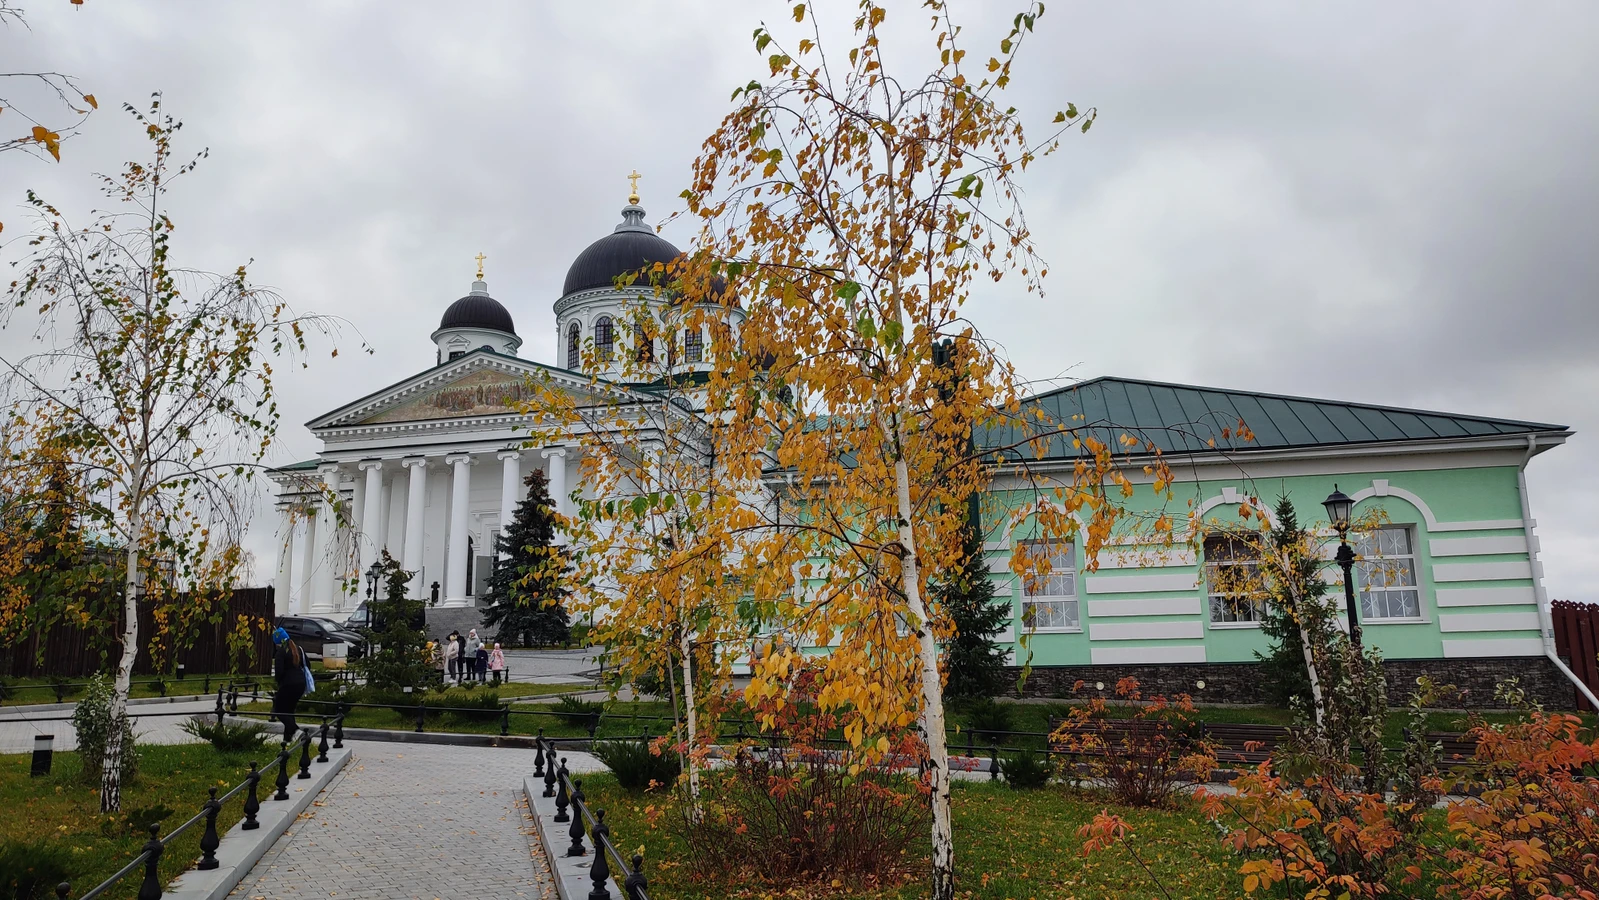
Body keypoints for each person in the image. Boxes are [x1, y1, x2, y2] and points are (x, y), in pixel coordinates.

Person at [271, 626, 309, 742]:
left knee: (277, 710)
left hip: (288, 684)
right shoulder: (298, 649)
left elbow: (279, 671)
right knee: (289, 711)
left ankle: (296, 731)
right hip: (300, 684)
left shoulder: (281, 652)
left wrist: (279, 682)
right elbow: (307, 664)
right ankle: (287, 740)